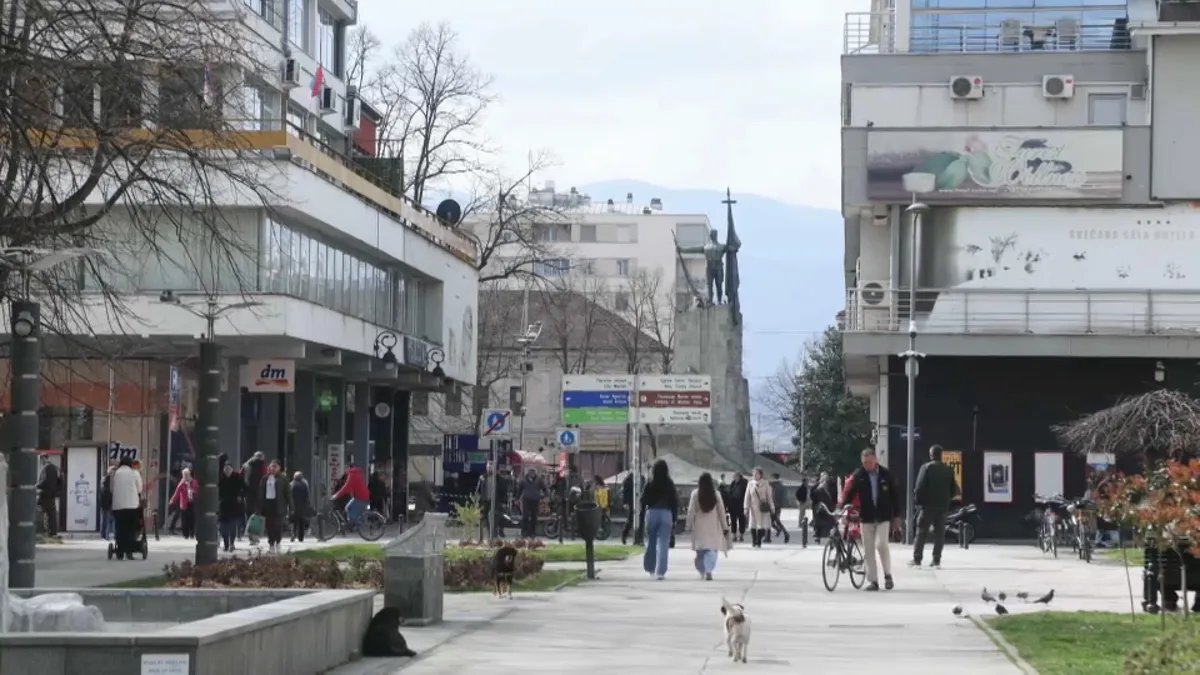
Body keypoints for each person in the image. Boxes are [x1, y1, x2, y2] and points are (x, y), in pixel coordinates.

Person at [840, 448, 901, 591]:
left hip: (883, 516)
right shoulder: (859, 474)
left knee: (881, 545)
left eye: (869, 462)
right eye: (864, 462)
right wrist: (843, 507)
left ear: (875, 460)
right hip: (866, 517)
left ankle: (887, 575)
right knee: (868, 550)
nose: (867, 465)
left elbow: (895, 496)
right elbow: (850, 493)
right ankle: (873, 581)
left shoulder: (886, 474)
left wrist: (897, 516)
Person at [912, 444, 959, 569]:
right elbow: (954, 489)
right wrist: (946, 499)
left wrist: (918, 502)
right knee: (940, 534)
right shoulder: (948, 470)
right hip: (943, 507)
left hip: (927, 506)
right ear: (941, 455)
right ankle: (936, 560)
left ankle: (917, 560)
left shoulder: (926, 468)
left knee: (921, 532)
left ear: (931, 455)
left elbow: (919, 487)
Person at [686, 472, 731, 581]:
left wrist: (688, 525)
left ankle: (702, 569)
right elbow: (721, 512)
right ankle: (708, 569)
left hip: (699, 527)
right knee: (712, 550)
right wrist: (725, 526)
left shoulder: (695, 494)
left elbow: (691, 511)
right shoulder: (716, 494)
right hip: (713, 526)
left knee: (700, 551)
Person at [641, 459, 678, 580]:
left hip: (652, 513)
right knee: (663, 543)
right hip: (666, 513)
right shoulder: (669, 484)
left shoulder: (650, 483)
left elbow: (643, 500)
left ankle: (650, 568)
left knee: (651, 542)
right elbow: (674, 501)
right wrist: (675, 517)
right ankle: (661, 571)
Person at [110, 457, 143, 560]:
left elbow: (111, 489)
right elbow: (140, 489)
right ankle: (130, 551)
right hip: (132, 506)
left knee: (120, 528)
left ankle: (120, 550)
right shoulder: (134, 473)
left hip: (118, 506)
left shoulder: (115, 474)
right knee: (131, 528)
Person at [258, 460, 291, 553]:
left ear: (279, 468)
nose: (272, 469)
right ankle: (271, 543)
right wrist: (259, 507)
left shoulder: (283, 479)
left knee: (278, 525)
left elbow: (288, 493)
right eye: (271, 466)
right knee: (269, 526)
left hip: (279, 505)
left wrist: (291, 506)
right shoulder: (265, 478)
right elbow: (261, 493)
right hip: (268, 505)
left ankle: (278, 541)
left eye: (275, 467)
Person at [332, 461, 370, 529]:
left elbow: (346, 487)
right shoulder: (355, 473)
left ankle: (358, 525)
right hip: (360, 496)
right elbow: (349, 487)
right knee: (348, 508)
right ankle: (354, 523)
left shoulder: (352, 475)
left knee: (350, 510)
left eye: (345, 468)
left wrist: (336, 495)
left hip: (361, 497)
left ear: (349, 468)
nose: (344, 470)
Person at [743, 468, 775, 548]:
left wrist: (772, 506)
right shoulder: (750, 483)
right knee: (753, 525)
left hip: (762, 507)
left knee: (762, 525)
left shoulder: (765, 483)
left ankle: (759, 540)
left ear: (760, 475)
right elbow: (747, 496)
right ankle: (754, 540)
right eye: (753, 473)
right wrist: (746, 507)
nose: (754, 475)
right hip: (753, 507)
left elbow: (769, 496)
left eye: (756, 473)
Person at [217, 463, 245, 552]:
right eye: (226, 469)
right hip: (224, 505)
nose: (227, 471)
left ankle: (232, 543)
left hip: (234, 505)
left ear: (232, 470)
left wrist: (240, 496)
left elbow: (245, 488)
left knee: (232, 526)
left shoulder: (238, 477)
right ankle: (226, 544)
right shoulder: (220, 478)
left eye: (229, 469)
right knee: (223, 527)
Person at [169, 468, 200, 539]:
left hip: (192, 503)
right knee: (184, 519)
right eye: (184, 475)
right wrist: (172, 500)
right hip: (184, 503)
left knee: (192, 518)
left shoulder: (194, 482)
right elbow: (176, 492)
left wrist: (194, 492)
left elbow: (198, 490)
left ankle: (192, 533)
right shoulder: (182, 483)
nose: (185, 477)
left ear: (189, 475)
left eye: (186, 475)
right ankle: (185, 534)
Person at [517, 470, 545, 538]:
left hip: (535, 500)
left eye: (533, 472)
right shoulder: (523, 480)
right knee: (525, 517)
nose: (532, 474)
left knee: (534, 517)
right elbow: (519, 490)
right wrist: (517, 498)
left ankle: (532, 532)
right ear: (528, 473)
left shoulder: (539, 480)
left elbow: (544, 488)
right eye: (530, 472)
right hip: (526, 500)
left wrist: (545, 495)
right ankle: (524, 532)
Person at [37, 458, 61, 536]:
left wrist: (37, 486)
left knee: (42, 512)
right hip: (51, 494)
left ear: (43, 460)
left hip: (46, 494)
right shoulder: (54, 468)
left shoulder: (48, 468)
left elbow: (46, 481)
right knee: (51, 514)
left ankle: (44, 531)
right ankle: (51, 532)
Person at [812, 472, 837, 543]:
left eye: (826, 479)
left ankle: (830, 538)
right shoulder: (817, 487)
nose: (825, 481)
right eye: (824, 479)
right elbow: (813, 496)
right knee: (819, 522)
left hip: (828, 507)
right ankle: (818, 536)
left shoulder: (831, 486)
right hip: (820, 507)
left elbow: (834, 495)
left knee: (830, 523)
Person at [767, 473, 790, 544]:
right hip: (778, 506)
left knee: (769, 521)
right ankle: (784, 532)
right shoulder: (780, 485)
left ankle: (768, 537)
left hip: (774, 506)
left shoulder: (773, 485)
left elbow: (772, 496)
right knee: (775, 521)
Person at [290, 471, 313, 542]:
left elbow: (289, 496)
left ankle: (293, 534)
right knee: (301, 523)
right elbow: (307, 496)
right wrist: (308, 504)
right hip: (302, 507)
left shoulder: (291, 484)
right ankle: (301, 537)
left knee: (294, 522)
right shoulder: (304, 484)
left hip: (294, 506)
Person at [728, 472, 749, 542]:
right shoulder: (733, 483)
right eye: (734, 477)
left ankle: (741, 535)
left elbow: (746, 494)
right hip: (733, 505)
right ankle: (733, 535)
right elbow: (730, 493)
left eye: (735, 476)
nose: (734, 478)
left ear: (739, 477)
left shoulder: (744, 484)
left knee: (741, 520)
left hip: (741, 505)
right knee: (733, 520)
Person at [99, 463, 117, 541]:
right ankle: (107, 535)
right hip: (109, 502)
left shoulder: (104, 479)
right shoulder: (109, 480)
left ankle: (105, 535)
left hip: (107, 503)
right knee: (109, 520)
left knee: (107, 519)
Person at [620, 472, 635, 544]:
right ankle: (624, 534)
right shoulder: (629, 480)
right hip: (631, 502)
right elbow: (625, 492)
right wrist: (625, 503)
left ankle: (625, 534)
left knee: (631, 519)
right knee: (631, 519)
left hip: (633, 501)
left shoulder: (628, 480)